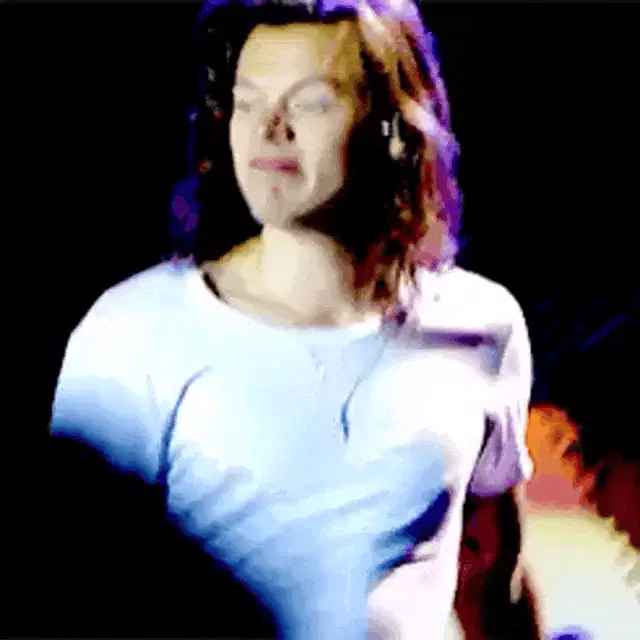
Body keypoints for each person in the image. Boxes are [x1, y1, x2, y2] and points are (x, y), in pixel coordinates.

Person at [50, 0, 540, 637]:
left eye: (310, 103)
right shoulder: (133, 332)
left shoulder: (481, 324)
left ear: (394, 126)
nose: (269, 129)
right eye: (248, 102)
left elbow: (497, 577)